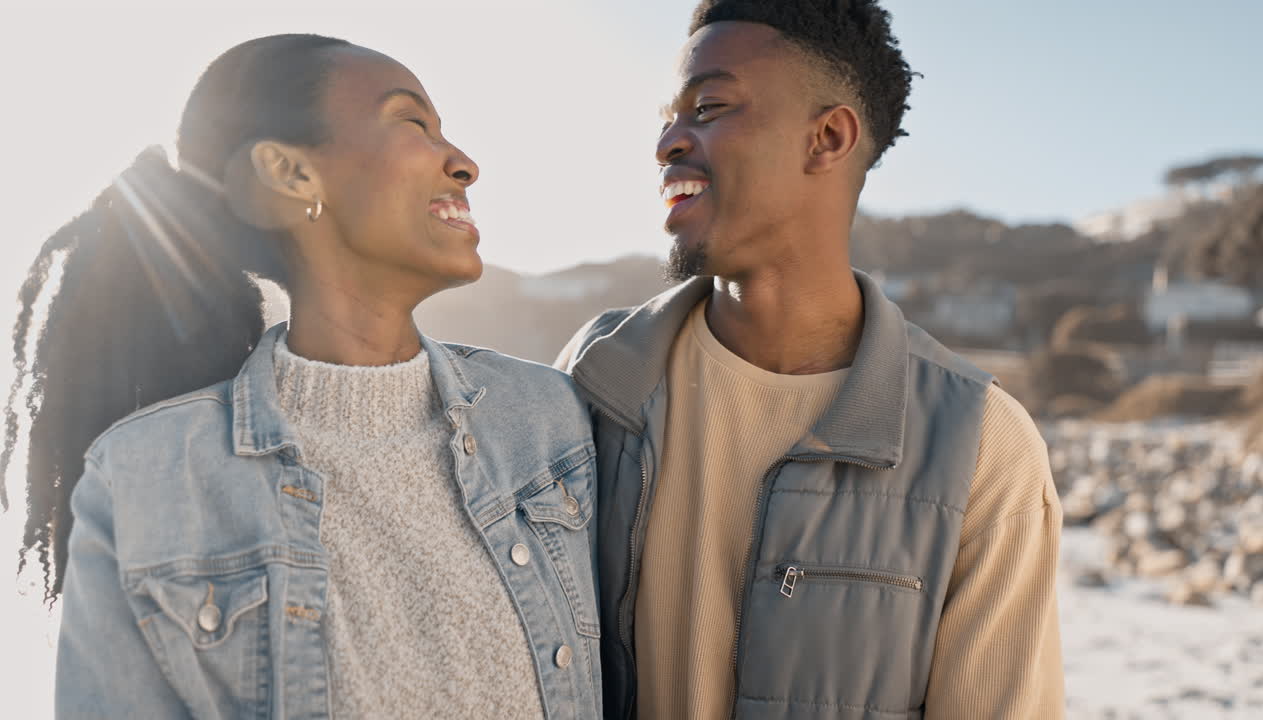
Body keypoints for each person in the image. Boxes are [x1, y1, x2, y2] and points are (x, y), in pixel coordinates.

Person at [3, 34, 600, 719]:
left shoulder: (546, 421)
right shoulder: (142, 481)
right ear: (289, 174)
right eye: (413, 122)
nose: (464, 163)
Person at [556, 2, 1064, 718]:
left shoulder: (983, 448)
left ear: (827, 138)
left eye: (708, 106)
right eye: (667, 116)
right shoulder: (592, 380)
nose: (668, 140)